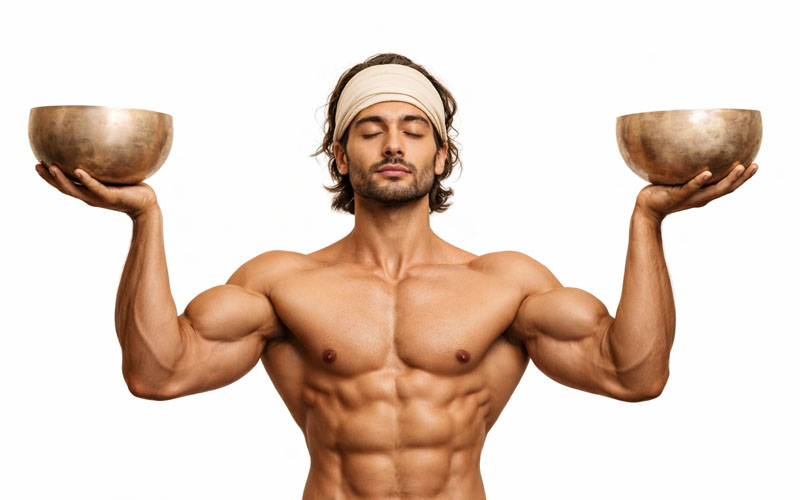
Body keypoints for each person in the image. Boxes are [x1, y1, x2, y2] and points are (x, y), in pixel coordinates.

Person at [35, 53, 758, 500]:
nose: (393, 144)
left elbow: (634, 375)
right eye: (370, 128)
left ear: (441, 156)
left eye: (414, 130)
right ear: (341, 155)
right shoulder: (282, 283)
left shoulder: (505, 283)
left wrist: (647, 221)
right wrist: (146, 219)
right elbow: (159, 374)